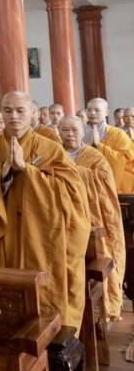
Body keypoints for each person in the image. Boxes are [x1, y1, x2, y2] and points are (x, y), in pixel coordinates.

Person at [0, 92, 89, 332]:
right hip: (0, 237)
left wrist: (27, 171)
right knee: (3, 307)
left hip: (40, 235)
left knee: (44, 300)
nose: (13, 116)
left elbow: (72, 193)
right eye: (7, 110)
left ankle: (51, 339)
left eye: (20, 110)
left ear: (33, 113)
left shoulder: (51, 149)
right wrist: (1, 174)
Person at [59, 115, 126, 321]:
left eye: (75, 130)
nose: (70, 134)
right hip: (62, 219)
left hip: (92, 219)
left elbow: (105, 183)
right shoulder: (54, 154)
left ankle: (102, 306)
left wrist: (72, 171)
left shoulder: (94, 156)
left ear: (83, 132)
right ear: (58, 132)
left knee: (97, 259)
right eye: (65, 130)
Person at [84, 97, 134, 193]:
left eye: (97, 110)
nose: (92, 113)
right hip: (87, 183)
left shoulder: (117, 134)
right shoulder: (80, 132)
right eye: (89, 110)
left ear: (106, 112)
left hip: (113, 185)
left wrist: (99, 146)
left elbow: (127, 159)